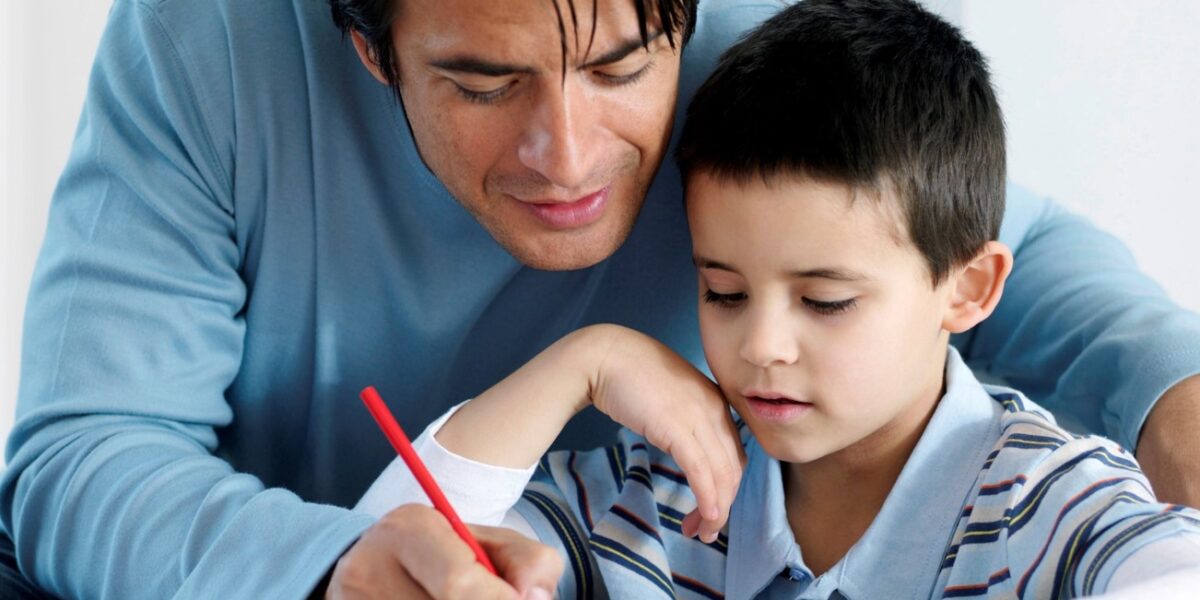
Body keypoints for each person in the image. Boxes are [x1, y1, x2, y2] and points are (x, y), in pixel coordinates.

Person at [2, 0, 1199, 598]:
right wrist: (338, 570)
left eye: (623, 70)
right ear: (370, 49)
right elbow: (85, 457)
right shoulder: (204, 45)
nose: (567, 156)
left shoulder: (762, 44)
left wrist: (1170, 388)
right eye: (482, 82)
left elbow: (986, 241)